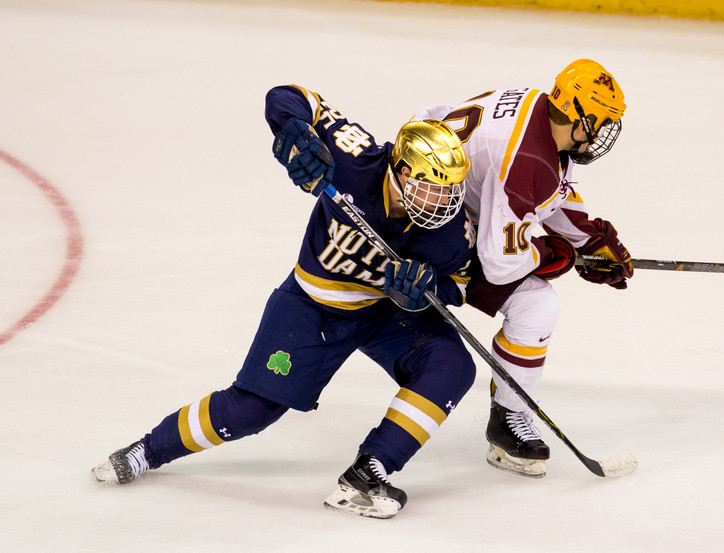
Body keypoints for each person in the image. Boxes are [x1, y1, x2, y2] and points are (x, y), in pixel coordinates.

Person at [91, 84, 476, 519]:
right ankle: (148, 450)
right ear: (403, 172)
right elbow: (291, 95)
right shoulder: (353, 161)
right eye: (434, 189)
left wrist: (423, 292)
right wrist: (294, 130)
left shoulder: (450, 229)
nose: (446, 203)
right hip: (314, 308)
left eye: (452, 191)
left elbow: (459, 284)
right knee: (250, 411)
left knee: (453, 365)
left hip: (386, 314)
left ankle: (370, 471)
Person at [412, 59, 633, 478]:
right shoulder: (527, 157)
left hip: (430, 188)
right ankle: (508, 421)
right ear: (577, 115)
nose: (599, 135)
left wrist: (592, 239)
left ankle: (509, 412)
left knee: (530, 284)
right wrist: (550, 253)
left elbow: (547, 192)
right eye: (598, 123)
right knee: (537, 307)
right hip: (422, 226)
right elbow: (498, 264)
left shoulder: (540, 113)